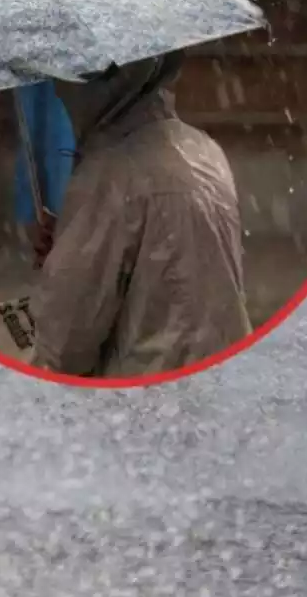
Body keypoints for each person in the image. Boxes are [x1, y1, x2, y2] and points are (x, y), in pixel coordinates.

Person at [25, 50, 252, 377]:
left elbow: (65, 346)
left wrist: (64, 267)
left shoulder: (111, 172)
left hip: (146, 396)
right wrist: (72, 240)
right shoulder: (202, 148)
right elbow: (168, 262)